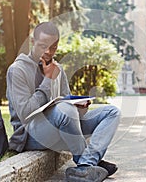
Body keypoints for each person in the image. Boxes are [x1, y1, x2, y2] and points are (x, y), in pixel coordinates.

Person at [6, 22, 121, 182]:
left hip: (58, 127)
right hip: (30, 134)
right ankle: (87, 165)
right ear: (32, 42)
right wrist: (47, 80)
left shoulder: (57, 68)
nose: (48, 52)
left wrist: (80, 107)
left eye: (53, 47)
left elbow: (67, 102)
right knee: (64, 109)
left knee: (112, 112)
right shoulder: (17, 70)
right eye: (42, 46)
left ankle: (87, 164)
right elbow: (25, 112)